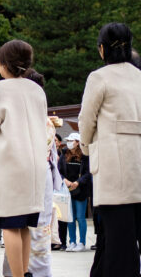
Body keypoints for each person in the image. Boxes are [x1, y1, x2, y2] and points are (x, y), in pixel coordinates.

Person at [0, 40, 48, 277]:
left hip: (10, 164)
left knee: (9, 223)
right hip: (36, 166)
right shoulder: (36, 90)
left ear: (4, 64)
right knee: (25, 224)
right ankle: (25, 272)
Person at [80, 22, 141, 276]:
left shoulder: (99, 77)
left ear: (102, 49)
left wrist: (85, 147)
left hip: (114, 170)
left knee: (118, 241)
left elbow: (86, 120)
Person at [2, 71, 61, 277]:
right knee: (34, 226)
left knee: (15, 225)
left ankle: (17, 272)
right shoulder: (45, 121)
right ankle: (34, 271)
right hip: (40, 173)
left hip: (18, 170)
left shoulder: (18, 117)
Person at [60, 133, 91, 252]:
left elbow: (88, 173)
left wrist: (78, 182)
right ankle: (72, 241)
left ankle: (82, 242)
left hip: (80, 190)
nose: (69, 142)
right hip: (67, 190)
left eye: (71, 140)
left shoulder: (84, 156)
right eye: (68, 140)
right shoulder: (64, 155)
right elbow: (59, 171)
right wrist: (65, 180)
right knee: (70, 217)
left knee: (80, 217)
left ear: (77, 142)